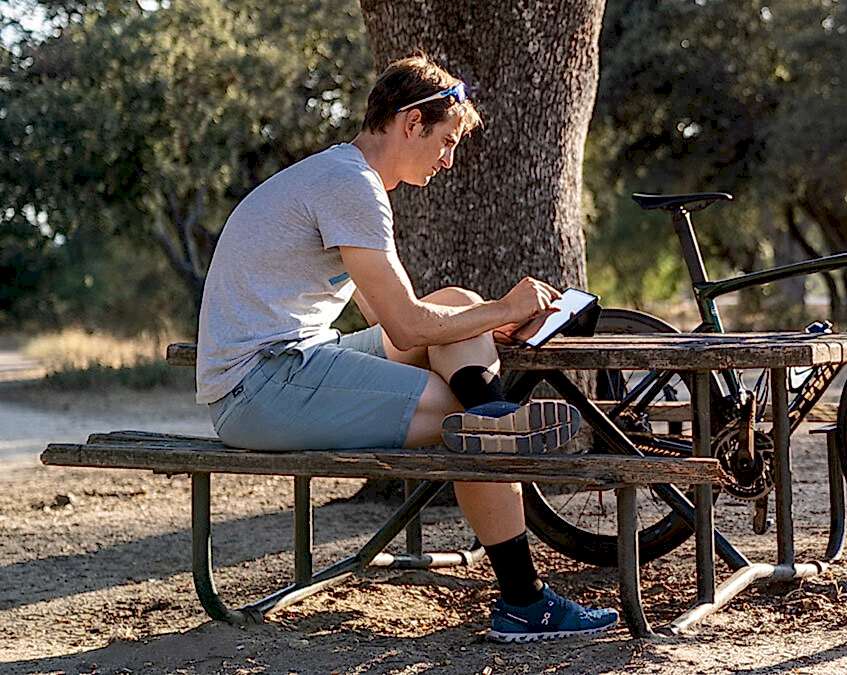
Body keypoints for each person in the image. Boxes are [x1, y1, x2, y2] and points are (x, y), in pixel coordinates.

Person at [194, 53, 618, 642]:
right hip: (260, 389)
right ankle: (524, 596)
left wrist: (481, 323)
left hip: (289, 368)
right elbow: (408, 326)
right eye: (446, 142)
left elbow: (395, 321)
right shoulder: (351, 186)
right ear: (411, 122)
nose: (448, 160)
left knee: (457, 304)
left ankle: (495, 420)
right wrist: (505, 309)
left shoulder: (340, 175)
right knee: (470, 416)